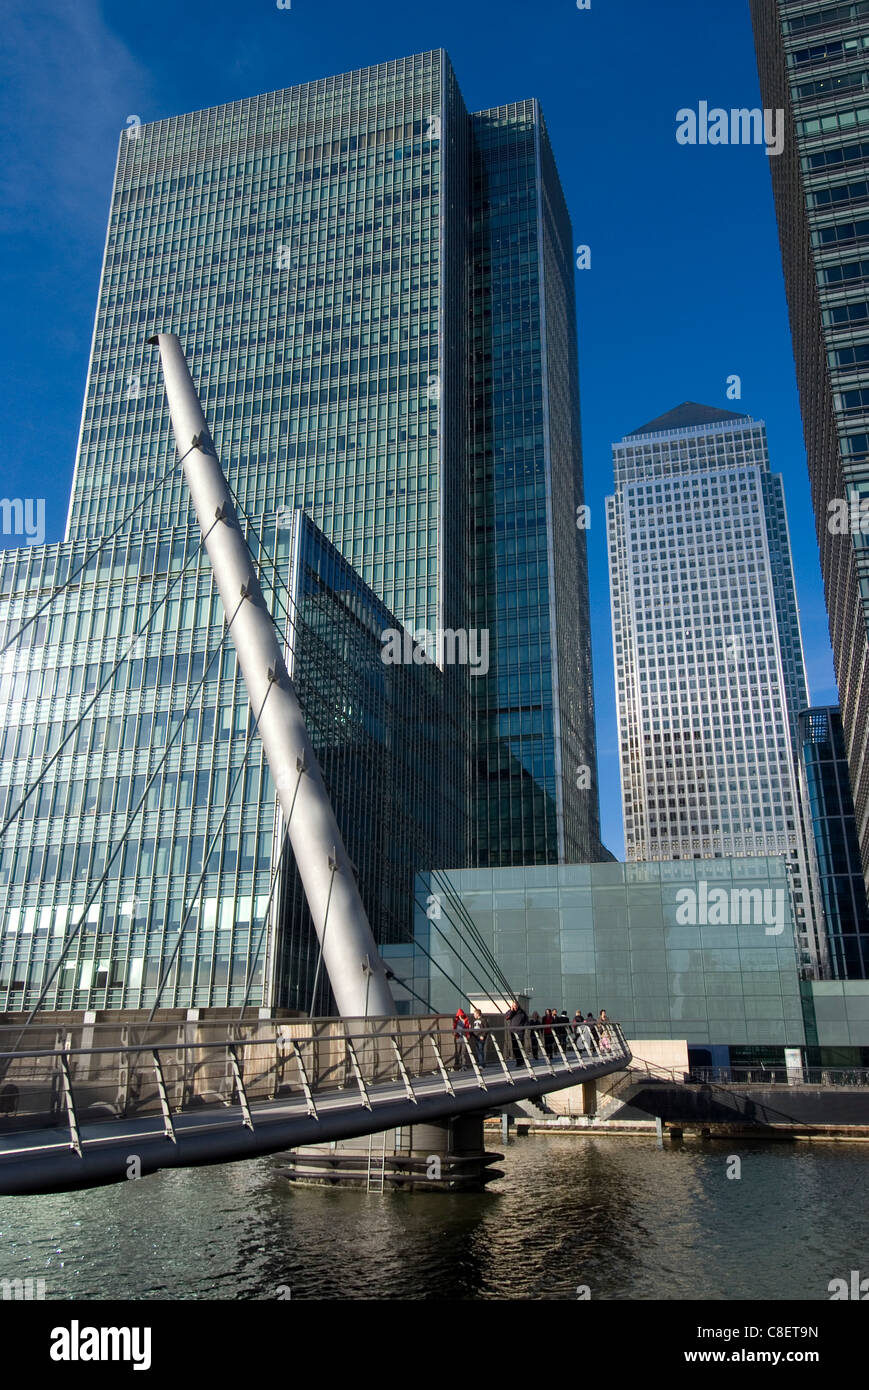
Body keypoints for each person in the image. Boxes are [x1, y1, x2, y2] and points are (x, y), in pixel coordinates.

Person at [505, 1000, 528, 1066]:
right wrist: (511, 1010)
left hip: (520, 1031)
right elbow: (507, 1017)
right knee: (514, 1047)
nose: (514, 1007)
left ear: (518, 1005)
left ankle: (521, 1061)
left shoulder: (522, 1012)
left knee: (520, 1046)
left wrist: (525, 1027)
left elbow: (526, 1020)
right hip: (513, 1031)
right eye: (513, 1006)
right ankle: (518, 1061)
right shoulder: (511, 1011)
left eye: (515, 1006)